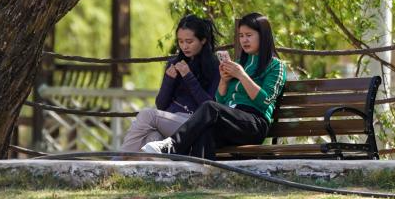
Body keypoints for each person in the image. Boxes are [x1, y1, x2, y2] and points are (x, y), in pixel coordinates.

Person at [141, 12, 287, 159]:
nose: (244, 40)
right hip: (231, 121)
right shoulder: (239, 64)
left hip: (254, 124)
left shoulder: (276, 66)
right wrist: (224, 81)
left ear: (263, 35)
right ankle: (200, 171)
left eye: (249, 35)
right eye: (241, 36)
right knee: (204, 130)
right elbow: (221, 101)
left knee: (209, 107)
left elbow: (265, 101)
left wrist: (242, 76)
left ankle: (172, 146)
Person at [119, 15, 220, 152]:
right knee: (153, 138)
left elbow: (210, 107)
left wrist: (189, 77)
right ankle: (130, 164)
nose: (184, 46)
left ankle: (118, 160)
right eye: (180, 41)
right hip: (170, 121)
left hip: (195, 123)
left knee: (147, 114)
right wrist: (169, 80)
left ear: (203, 40)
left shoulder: (215, 67)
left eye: (189, 41)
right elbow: (161, 105)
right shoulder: (174, 64)